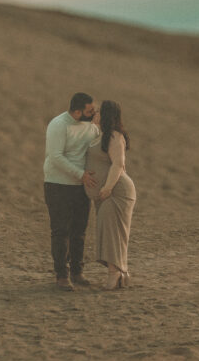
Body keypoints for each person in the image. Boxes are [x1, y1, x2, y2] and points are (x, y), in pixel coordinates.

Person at [43, 92, 100, 291]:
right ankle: (61, 275)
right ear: (77, 112)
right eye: (90, 111)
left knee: (79, 231)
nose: (94, 113)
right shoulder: (59, 125)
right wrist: (80, 174)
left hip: (82, 187)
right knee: (61, 231)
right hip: (58, 185)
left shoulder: (92, 128)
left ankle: (77, 272)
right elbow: (55, 156)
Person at [85, 100, 136, 290]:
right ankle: (122, 273)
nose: (95, 113)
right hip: (106, 192)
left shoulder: (115, 136)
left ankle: (114, 275)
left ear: (105, 114)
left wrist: (107, 188)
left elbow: (118, 164)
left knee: (112, 232)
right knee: (110, 231)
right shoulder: (100, 135)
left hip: (116, 191)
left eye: (98, 111)